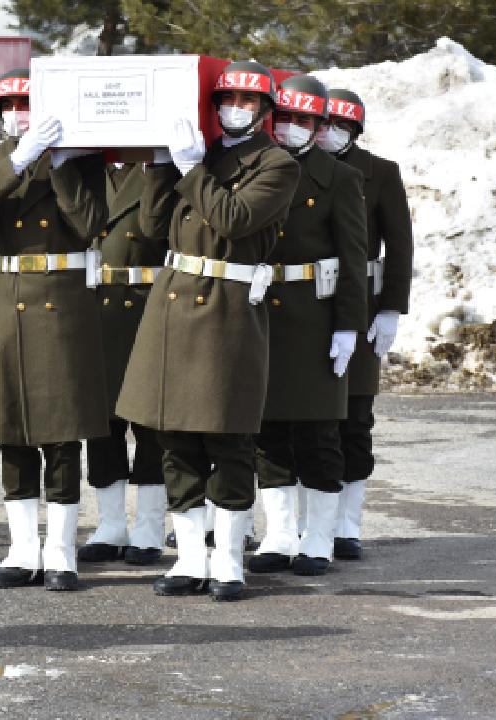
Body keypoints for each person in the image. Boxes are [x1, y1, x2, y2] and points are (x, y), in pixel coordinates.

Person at [115, 60, 301, 602]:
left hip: (227, 310)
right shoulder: (200, 152)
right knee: (174, 437)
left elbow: (236, 220)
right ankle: (190, 559)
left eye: (248, 102)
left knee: (229, 438)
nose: (235, 109)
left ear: (265, 111)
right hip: (174, 303)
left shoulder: (277, 163)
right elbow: (152, 229)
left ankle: (229, 559)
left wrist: (192, 170)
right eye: (228, 100)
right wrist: (157, 168)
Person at [0, 68, 110, 592]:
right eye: (10, 108)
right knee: (12, 430)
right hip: (9, 298)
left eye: (28, 105)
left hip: (64, 299)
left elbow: (92, 226)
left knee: (62, 433)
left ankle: (61, 550)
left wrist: (59, 167)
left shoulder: (81, 162)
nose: (20, 116)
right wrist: (18, 161)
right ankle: (23, 548)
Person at [247, 75, 368, 578]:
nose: (291, 129)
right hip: (261, 314)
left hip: (315, 318)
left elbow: (354, 258)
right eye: (284, 118)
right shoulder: (256, 167)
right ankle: (277, 534)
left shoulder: (338, 179)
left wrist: (348, 327)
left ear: (318, 126)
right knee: (269, 432)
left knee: (319, 434)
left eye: (303, 121)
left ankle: (318, 536)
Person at [318, 88, 414, 561]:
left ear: (355, 130)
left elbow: (400, 245)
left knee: (355, 418)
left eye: (340, 127)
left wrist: (392, 307)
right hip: (308, 302)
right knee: (305, 419)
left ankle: (346, 523)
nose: (328, 134)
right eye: (323, 124)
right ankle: (303, 523)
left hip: (363, 303)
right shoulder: (291, 166)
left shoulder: (381, 173)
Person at [77, 158, 170, 567]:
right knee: (102, 425)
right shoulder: (84, 167)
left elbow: (155, 229)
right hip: (94, 310)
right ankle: (110, 525)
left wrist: (158, 167)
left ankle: (149, 528)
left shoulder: (158, 164)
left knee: (151, 425)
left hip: (147, 307)